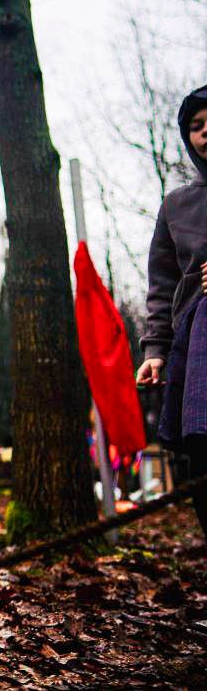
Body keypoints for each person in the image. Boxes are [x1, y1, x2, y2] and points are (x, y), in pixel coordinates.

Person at [145, 86, 207, 533]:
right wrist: (155, 350)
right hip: (196, 348)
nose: (206, 134)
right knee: (201, 460)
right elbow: (162, 285)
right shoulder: (176, 205)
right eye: (196, 127)